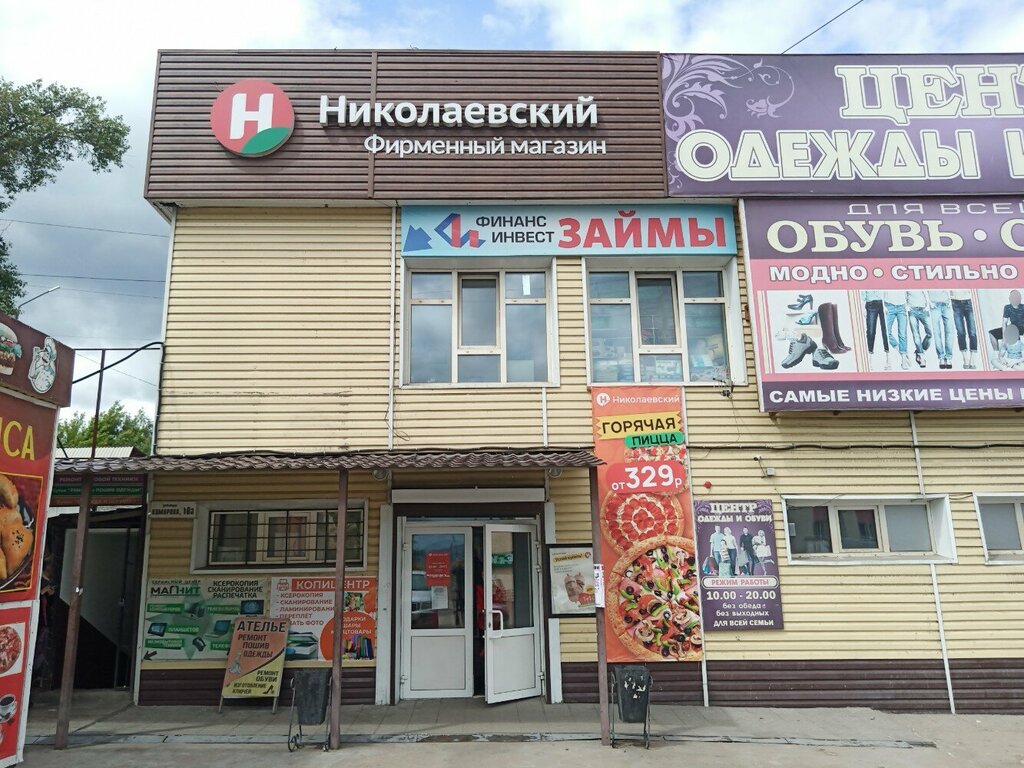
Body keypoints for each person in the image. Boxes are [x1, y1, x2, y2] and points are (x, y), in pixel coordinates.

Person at [882, 289, 910, 370]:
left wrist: (907, 305)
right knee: (886, 333)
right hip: (888, 306)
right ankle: (902, 352)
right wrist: (883, 306)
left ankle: (904, 358)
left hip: (902, 306)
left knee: (902, 334)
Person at [928, 289, 955, 370]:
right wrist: (929, 301)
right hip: (934, 304)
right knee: (936, 332)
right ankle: (941, 357)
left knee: (950, 331)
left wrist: (951, 299)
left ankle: (948, 357)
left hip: (946, 303)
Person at [863, 290, 890, 370]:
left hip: (882, 303)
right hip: (870, 303)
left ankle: (888, 361)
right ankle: (869, 361)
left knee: (886, 332)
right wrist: (863, 307)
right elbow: (862, 292)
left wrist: (886, 303)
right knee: (871, 332)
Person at [951, 288, 978, 369]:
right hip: (955, 302)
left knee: (972, 332)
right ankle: (965, 359)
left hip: (969, 301)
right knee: (960, 332)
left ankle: (972, 359)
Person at [905, 289, 933, 368]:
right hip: (912, 310)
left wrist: (927, 305)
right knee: (916, 334)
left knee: (930, 333)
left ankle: (920, 350)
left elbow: (926, 291)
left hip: (923, 309)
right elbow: (904, 294)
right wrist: (906, 306)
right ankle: (921, 357)